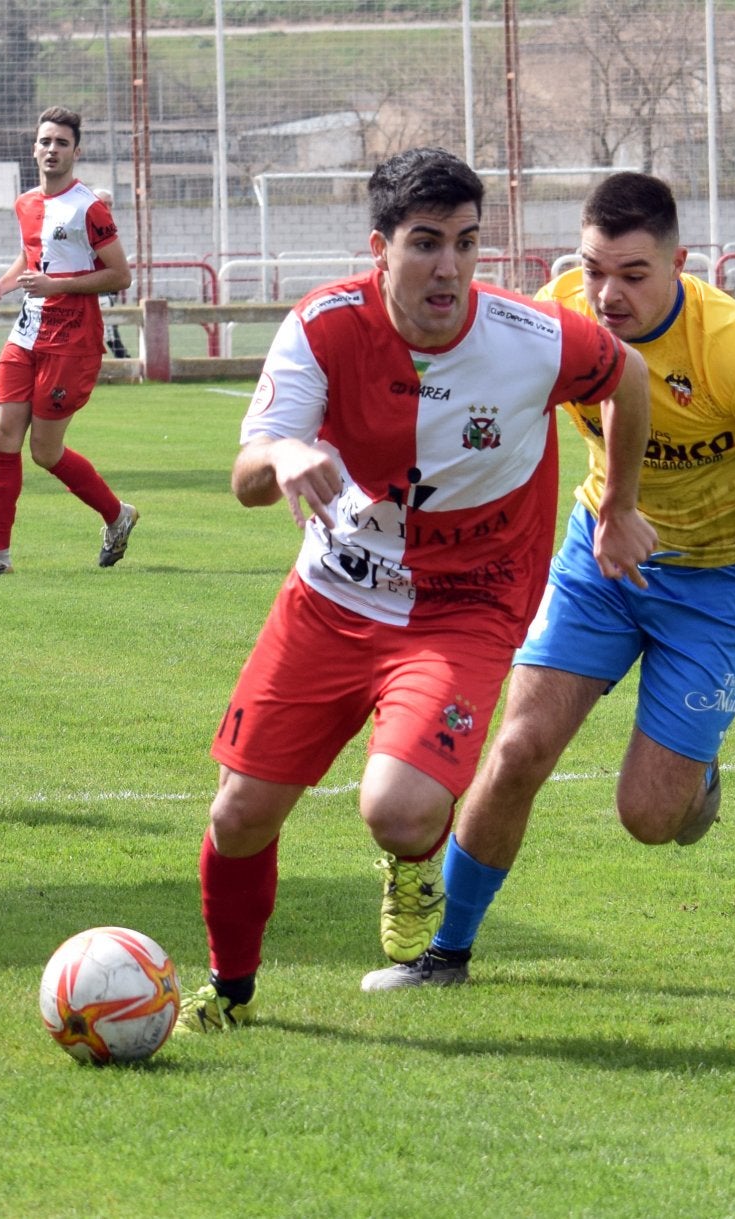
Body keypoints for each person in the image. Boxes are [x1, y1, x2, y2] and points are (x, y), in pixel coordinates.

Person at [360, 171, 735, 992]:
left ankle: (695, 774)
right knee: (515, 749)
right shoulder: (559, 312)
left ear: (680, 263)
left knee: (651, 817)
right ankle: (447, 953)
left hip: (725, 580)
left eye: (633, 274)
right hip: (601, 559)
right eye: (593, 270)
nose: (607, 295)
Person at [177, 147, 656, 1032]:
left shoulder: (532, 337)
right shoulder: (322, 327)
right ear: (381, 248)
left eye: (467, 244)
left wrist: (620, 505)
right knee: (239, 813)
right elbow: (247, 474)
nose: (449, 267)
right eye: (427, 243)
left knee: (398, 810)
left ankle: (412, 863)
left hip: (465, 607)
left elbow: (626, 373)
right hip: (332, 597)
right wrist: (285, 453)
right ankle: (230, 990)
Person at [0, 106, 138, 576]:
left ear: (75, 153)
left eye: (62, 143)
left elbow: (120, 274)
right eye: (46, 141)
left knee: (44, 451)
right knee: (3, 435)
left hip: (72, 339)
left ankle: (117, 515)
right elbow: (31, 254)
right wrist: (1, 287)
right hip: (26, 332)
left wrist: (58, 285)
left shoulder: (90, 207)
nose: (52, 149)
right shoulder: (25, 204)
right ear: (34, 149)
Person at [93, 188, 132, 359]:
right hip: (94, 289)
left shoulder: (107, 226)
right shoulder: (89, 225)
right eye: (104, 203)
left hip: (105, 290)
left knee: (109, 330)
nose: (108, 207)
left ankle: (124, 362)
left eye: (110, 204)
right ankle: (125, 361)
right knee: (108, 332)